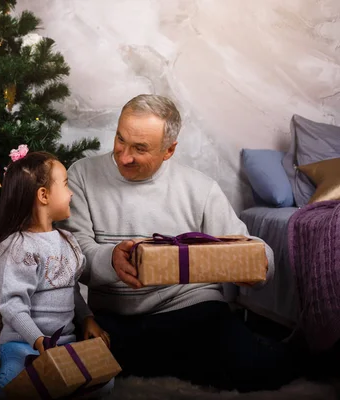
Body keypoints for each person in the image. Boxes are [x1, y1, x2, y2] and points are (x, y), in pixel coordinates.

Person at [60, 94, 298, 392]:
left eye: (140, 148)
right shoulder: (81, 175)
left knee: (258, 371)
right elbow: (72, 253)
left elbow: (249, 248)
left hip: (193, 311)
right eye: (120, 140)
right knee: (82, 375)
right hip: (116, 318)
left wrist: (261, 264)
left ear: (169, 150)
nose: (123, 156)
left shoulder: (200, 188)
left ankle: (279, 350)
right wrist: (110, 260)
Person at [0, 150, 114, 398]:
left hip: (64, 345)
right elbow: (12, 306)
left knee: (104, 385)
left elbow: (71, 289)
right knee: (16, 392)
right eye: (66, 185)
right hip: (23, 346)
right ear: (43, 195)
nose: (71, 194)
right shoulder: (17, 247)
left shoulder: (67, 240)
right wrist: (38, 342)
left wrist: (87, 318)